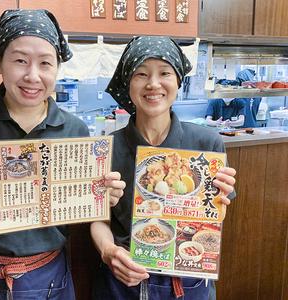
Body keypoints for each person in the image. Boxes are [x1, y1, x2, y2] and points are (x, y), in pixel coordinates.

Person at [0, 9, 125, 299]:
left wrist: (98, 197)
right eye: (20, 61)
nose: (33, 76)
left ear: (57, 68)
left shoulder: (73, 129)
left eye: (45, 63)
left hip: (46, 278)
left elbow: (78, 209)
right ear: (0, 62)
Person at [90, 36, 237, 299]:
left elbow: (214, 218)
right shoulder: (105, 148)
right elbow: (98, 219)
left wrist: (218, 201)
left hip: (186, 274)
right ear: (128, 83)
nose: (153, 84)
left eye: (165, 73)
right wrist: (107, 251)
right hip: (122, 278)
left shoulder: (206, 142)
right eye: (141, 74)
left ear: (178, 81)